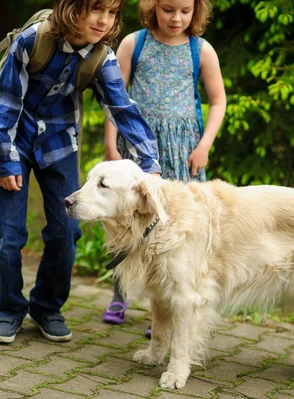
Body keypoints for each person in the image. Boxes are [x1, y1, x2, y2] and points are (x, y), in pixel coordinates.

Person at [0, 0, 161, 345]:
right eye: (95, 9)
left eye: (111, 13)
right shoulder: (33, 41)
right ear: (72, 8)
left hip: (60, 144)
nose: (103, 20)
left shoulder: (101, 56)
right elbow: (4, 102)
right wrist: (5, 161)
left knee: (66, 231)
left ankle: (46, 307)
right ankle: (7, 310)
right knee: (8, 232)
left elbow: (122, 109)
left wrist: (150, 165)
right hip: (12, 143)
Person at [102, 0, 226, 337]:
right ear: (153, 7)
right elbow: (116, 97)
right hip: (139, 149)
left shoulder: (201, 50)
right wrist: (111, 144)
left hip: (183, 150)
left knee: (173, 230)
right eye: (168, 9)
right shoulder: (134, 43)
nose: (176, 18)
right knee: (129, 220)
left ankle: (164, 311)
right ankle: (121, 293)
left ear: (196, 11)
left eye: (185, 11)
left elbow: (218, 100)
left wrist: (205, 145)